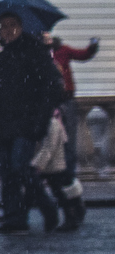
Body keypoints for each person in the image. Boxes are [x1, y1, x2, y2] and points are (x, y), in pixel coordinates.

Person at [0, 12, 67, 234]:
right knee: (7, 173)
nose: (8, 30)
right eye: (3, 26)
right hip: (5, 122)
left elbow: (52, 87)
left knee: (21, 167)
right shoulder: (2, 59)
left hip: (28, 121)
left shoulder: (36, 53)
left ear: (21, 27)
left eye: (12, 25)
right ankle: (15, 218)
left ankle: (47, 207)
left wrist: (41, 119)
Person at [46, 33, 98, 231]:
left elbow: (82, 55)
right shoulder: (41, 55)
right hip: (52, 104)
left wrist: (92, 48)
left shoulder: (62, 51)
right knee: (56, 160)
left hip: (63, 102)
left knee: (64, 158)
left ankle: (72, 207)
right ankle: (72, 206)